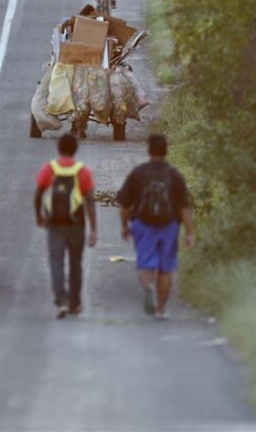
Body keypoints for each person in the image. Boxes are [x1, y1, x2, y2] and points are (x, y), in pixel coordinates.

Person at [116, 134, 195, 320]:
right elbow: (184, 208)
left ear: (149, 150)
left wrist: (125, 226)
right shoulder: (174, 175)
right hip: (169, 226)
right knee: (166, 269)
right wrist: (189, 232)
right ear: (166, 151)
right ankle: (160, 310)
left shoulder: (139, 173)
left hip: (143, 225)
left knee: (146, 263)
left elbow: (124, 204)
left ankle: (148, 286)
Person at [34, 132, 98, 318]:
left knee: (56, 261)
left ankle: (61, 300)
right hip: (76, 224)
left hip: (54, 223)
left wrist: (39, 216)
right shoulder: (82, 171)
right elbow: (90, 201)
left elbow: (38, 195)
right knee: (76, 262)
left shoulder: (50, 169)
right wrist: (93, 229)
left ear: (58, 148)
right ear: (76, 149)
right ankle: (75, 303)